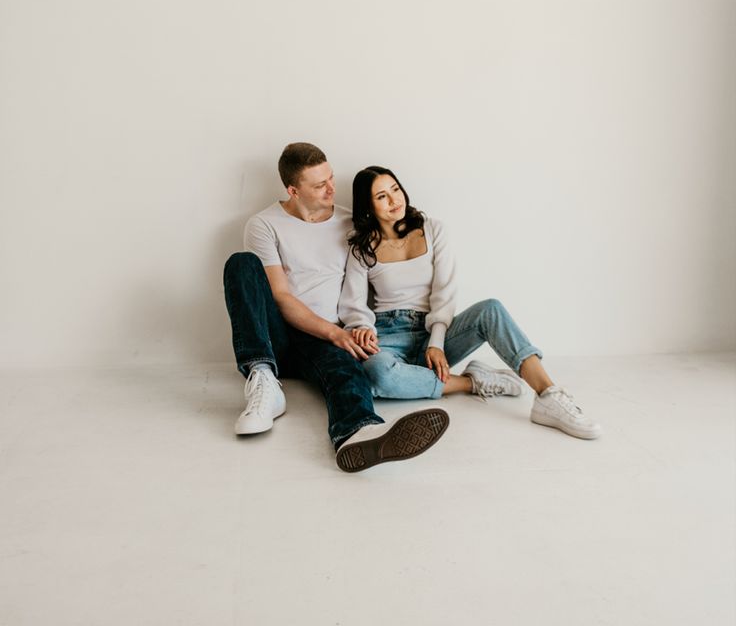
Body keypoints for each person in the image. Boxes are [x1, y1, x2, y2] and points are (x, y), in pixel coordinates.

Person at [223, 143, 450, 472]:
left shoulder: (351, 223)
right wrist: (335, 333)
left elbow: (373, 278)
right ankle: (262, 379)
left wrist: (358, 330)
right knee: (241, 264)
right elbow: (281, 297)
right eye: (319, 185)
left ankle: (359, 433)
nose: (332, 188)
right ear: (293, 190)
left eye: (331, 178)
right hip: (280, 335)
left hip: (329, 336)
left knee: (346, 369)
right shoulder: (263, 224)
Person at [338, 165, 601, 440]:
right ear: (368, 206)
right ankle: (471, 382)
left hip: (433, 329)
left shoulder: (432, 229)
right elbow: (353, 303)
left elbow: (444, 292)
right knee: (377, 376)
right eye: (382, 196)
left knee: (491, 309)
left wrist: (437, 343)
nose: (394, 200)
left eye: (395, 189)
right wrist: (361, 326)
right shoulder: (362, 249)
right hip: (388, 334)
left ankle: (548, 396)